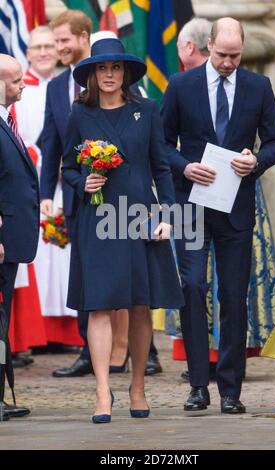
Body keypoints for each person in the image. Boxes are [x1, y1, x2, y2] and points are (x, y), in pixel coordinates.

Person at [162, 17, 275, 414]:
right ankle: (199, 385)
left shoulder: (258, 86)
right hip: (191, 203)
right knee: (193, 287)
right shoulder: (181, 85)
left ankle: (231, 390)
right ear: (209, 46)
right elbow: (162, 145)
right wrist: (184, 166)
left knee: (234, 296)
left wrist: (256, 160)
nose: (228, 63)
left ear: (242, 49)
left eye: (235, 56)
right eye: (221, 55)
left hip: (236, 206)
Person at [62, 37, 183, 422]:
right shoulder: (78, 115)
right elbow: (67, 168)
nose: (109, 74)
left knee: (139, 303)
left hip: (140, 217)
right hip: (96, 221)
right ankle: (102, 391)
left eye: (115, 68)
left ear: (126, 73)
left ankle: (137, 387)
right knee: (98, 303)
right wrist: (83, 183)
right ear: (92, 75)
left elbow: (161, 166)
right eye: (102, 68)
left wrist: (168, 215)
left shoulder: (147, 110)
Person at [39, 10, 94, 377]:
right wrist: (45, 193)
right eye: (56, 41)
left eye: (63, 40)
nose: (59, 47)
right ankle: (89, 351)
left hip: (116, 196)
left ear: (83, 37)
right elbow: (51, 143)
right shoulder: (56, 87)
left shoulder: (109, 76)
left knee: (128, 272)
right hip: (74, 197)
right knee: (83, 275)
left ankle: (145, 352)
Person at [0, 54, 40, 419]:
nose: (22, 84)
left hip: (9, 240)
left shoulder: (6, 121)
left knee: (1, 321)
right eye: (15, 81)